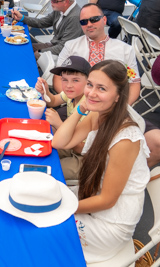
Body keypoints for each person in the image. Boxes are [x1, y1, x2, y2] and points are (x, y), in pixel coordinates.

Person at [52, 60, 150, 263]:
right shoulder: (98, 114)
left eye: (102, 88)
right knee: (45, 198)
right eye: (90, 85)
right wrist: (80, 108)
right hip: (92, 194)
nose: (91, 93)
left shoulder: (125, 139)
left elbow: (108, 200)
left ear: (117, 96)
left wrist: (65, 208)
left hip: (111, 222)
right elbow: (59, 142)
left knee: (48, 227)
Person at [54, 3, 160, 170]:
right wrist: (72, 98)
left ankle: (122, 175)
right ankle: (101, 171)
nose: (89, 24)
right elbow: (58, 79)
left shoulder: (124, 50)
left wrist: (119, 108)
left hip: (114, 106)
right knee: (49, 125)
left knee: (157, 142)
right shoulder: (71, 46)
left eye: (94, 19)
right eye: (83, 22)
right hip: (78, 104)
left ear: (104, 20)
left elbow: (134, 84)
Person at [35, 56, 91, 180]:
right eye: (64, 80)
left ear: (89, 82)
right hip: (69, 143)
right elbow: (53, 101)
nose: (68, 85)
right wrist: (45, 92)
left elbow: (81, 148)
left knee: (49, 169)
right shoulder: (71, 94)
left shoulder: (90, 107)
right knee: (38, 147)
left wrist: (59, 124)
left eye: (75, 80)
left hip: (86, 158)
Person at [12, 0, 83, 59]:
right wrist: (22, 18)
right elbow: (42, 22)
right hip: (55, 45)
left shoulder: (75, 17)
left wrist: (40, 51)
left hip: (65, 54)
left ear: (66, 2)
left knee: (29, 56)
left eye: (54, 1)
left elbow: (64, 47)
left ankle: (31, 74)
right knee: (24, 47)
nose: (51, 2)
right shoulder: (60, 9)